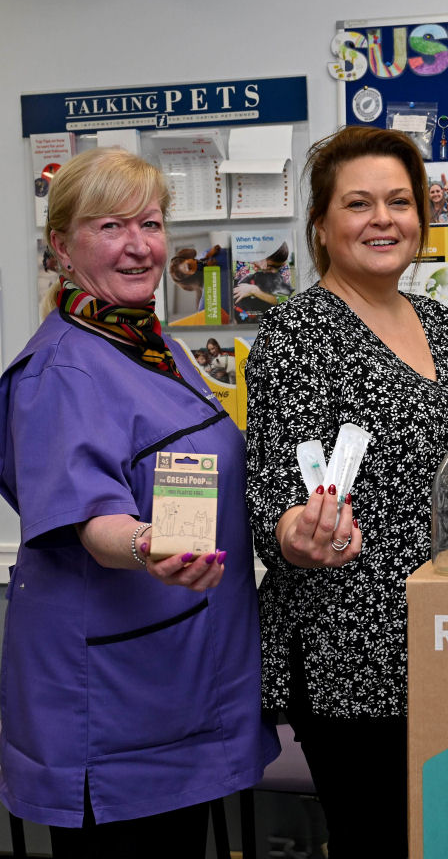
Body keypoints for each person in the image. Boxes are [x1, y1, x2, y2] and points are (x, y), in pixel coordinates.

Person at [243, 125, 448, 858]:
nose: (383, 219)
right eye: (359, 203)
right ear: (321, 225)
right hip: (353, 648)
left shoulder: (437, 321)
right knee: (377, 839)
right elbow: (277, 493)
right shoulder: (297, 332)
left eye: (400, 202)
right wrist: (299, 535)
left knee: (447, 836)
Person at [0, 147, 279, 859]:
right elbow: (92, 521)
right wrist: (146, 546)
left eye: (150, 224)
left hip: (181, 681)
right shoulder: (60, 369)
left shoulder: (151, 345)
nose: (138, 246)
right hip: (116, 707)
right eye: (110, 226)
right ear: (61, 246)